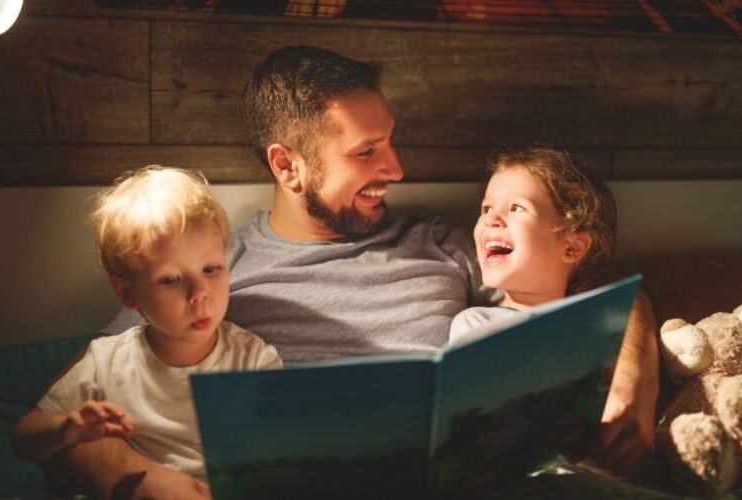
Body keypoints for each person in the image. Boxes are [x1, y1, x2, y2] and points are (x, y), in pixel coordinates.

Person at [49, 46, 658, 498]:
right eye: (366, 152)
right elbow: (82, 395)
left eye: (389, 142)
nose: (394, 168)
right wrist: (136, 477)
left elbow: (600, 284)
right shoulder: (211, 273)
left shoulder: (442, 243)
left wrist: (633, 382)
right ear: (289, 166)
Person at [13, 167, 281, 490]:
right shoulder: (107, 363)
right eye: (171, 280)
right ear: (128, 293)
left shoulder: (253, 359)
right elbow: (23, 438)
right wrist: (65, 429)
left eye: (211, 269)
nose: (199, 293)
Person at [449, 147, 618, 339]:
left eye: (517, 208)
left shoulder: (597, 327)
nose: (490, 219)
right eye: (486, 209)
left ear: (573, 247)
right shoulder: (476, 325)